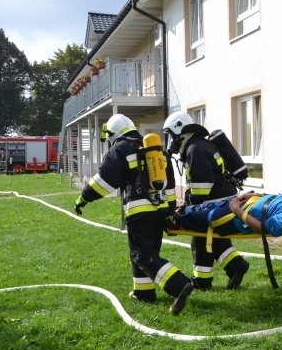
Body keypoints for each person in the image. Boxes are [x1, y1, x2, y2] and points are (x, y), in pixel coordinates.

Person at [73, 114, 194, 315]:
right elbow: (170, 186)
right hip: (160, 211)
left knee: (142, 254)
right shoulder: (156, 151)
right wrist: (168, 212)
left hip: (139, 211)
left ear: (113, 134)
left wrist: (83, 198)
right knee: (146, 252)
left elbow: (104, 181)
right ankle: (143, 293)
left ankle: (178, 284)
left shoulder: (120, 148)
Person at [162, 111, 251, 291]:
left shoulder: (196, 149)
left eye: (171, 136)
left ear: (180, 131)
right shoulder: (197, 145)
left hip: (217, 201)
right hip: (221, 199)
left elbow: (201, 188)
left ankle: (202, 281)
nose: (171, 141)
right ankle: (236, 266)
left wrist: (189, 210)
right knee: (214, 239)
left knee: (200, 237)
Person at [172, 186, 282, 236]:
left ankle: (172, 220)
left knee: (188, 218)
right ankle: (182, 210)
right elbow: (275, 198)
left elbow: (264, 228)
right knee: (192, 208)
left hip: (233, 217)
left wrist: (236, 209)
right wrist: (251, 195)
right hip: (245, 203)